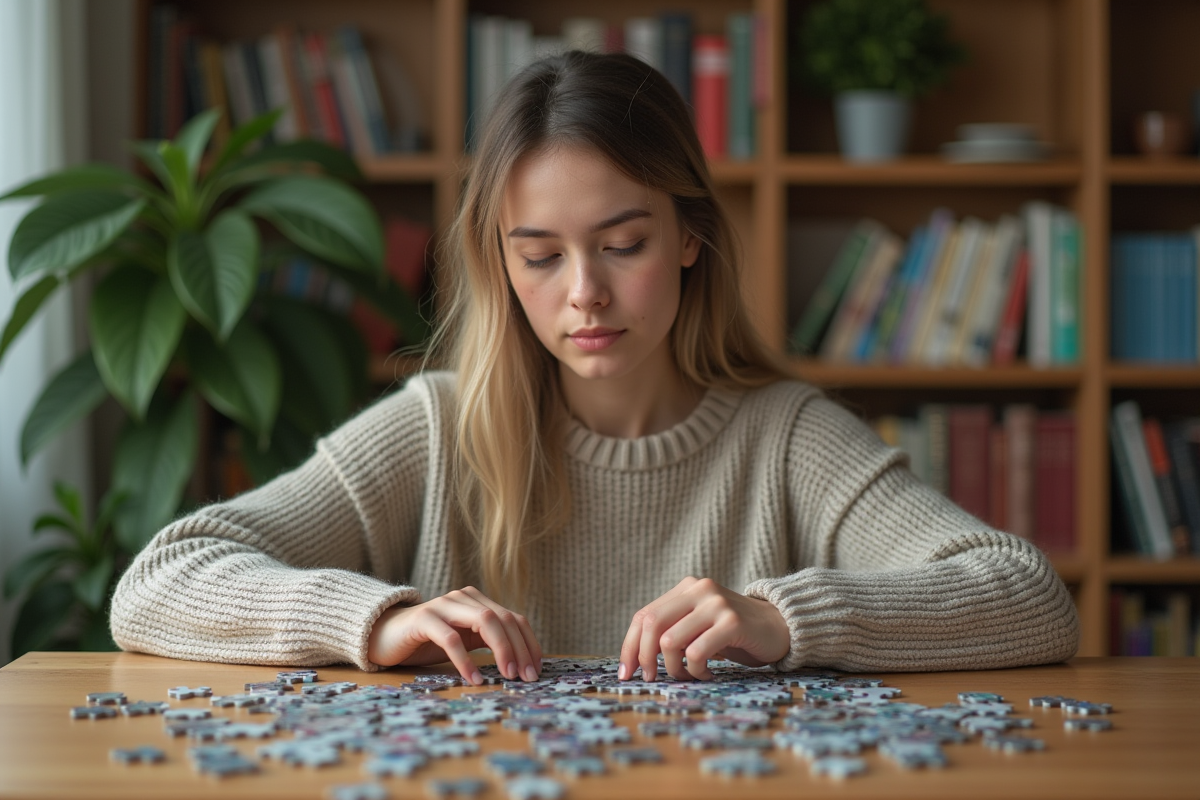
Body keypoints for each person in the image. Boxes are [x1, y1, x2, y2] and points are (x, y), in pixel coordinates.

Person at [110, 51, 1079, 684]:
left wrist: (783, 616)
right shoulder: (438, 426)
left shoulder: (785, 434)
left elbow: (1026, 593)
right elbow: (160, 577)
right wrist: (378, 617)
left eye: (623, 242)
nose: (585, 294)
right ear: (500, 261)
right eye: (540, 255)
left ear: (692, 232)